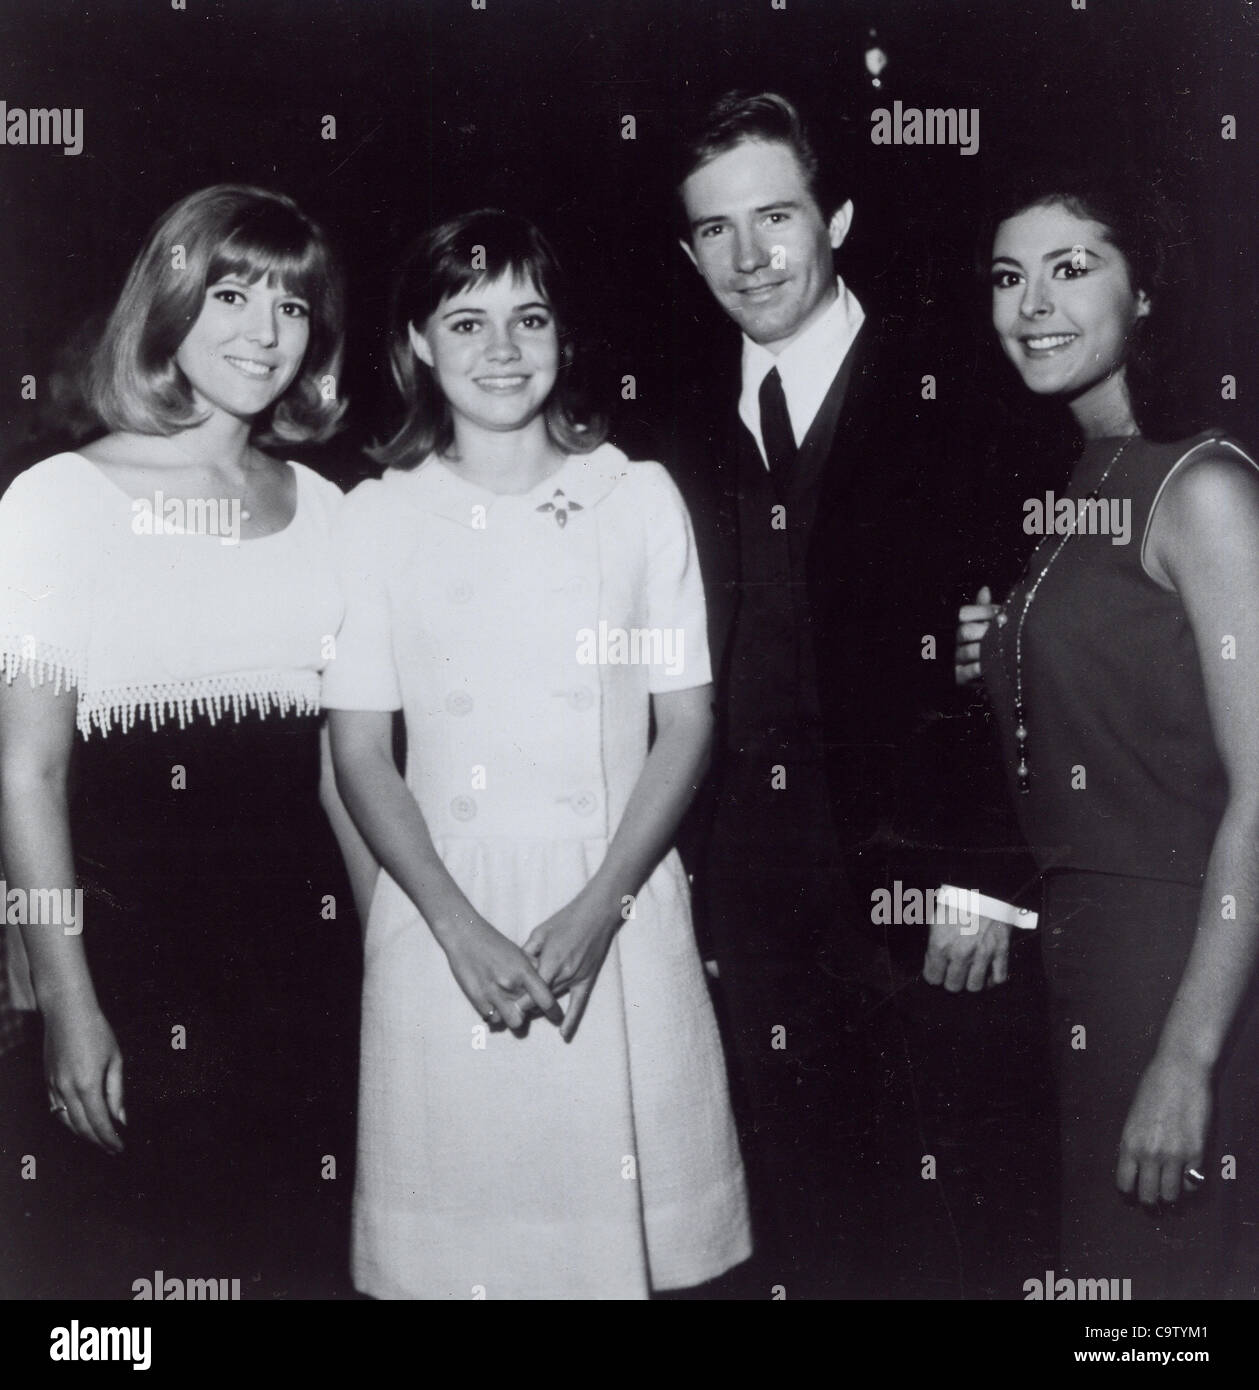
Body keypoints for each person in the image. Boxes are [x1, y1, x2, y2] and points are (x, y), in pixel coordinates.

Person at [323, 208, 750, 1300]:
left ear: (565, 336)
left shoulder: (633, 497)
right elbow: (361, 750)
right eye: (465, 322)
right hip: (443, 921)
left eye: (529, 317)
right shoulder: (376, 518)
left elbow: (686, 721)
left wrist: (602, 901)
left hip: (612, 905)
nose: (500, 350)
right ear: (417, 342)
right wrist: (452, 930)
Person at [672, 89, 1053, 1298]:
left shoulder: (959, 385)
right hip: (743, 881)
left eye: (775, 215)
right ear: (689, 252)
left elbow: (1021, 645)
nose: (750, 255)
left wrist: (982, 874)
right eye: (717, 230)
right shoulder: (663, 416)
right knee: (801, 1211)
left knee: (960, 1210)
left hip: (924, 868)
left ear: (833, 214)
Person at [0, 184, 371, 1299]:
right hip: (134, 959)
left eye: (294, 307)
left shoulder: (328, 506)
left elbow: (342, 778)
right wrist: (68, 1001)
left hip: (303, 968)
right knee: (136, 1280)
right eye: (231, 293)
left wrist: (388, 964)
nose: (264, 332)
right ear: (168, 300)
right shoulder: (55, 502)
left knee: (302, 1256)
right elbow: (28, 769)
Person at [957, 160, 1259, 1299]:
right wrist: (999, 653)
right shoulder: (1087, 473)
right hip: (1082, 965)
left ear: (1144, 293)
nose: (1030, 303)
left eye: (1069, 268)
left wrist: (1184, 1059)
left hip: (1179, 968)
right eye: (1006, 276)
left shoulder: (1202, 488)